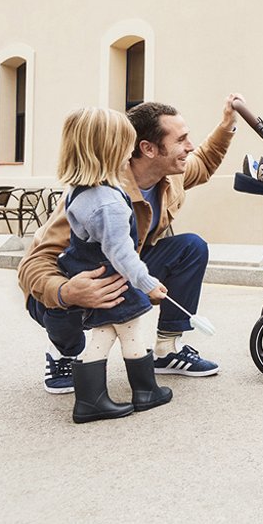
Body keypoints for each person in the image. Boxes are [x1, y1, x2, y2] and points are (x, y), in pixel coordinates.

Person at [19, 95, 243, 393]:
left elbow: (202, 162)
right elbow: (34, 263)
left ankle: (166, 350)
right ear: (149, 149)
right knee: (64, 302)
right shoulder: (99, 195)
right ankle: (64, 352)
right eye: (181, 140)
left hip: (126, 266)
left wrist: (227, 125)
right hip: (80, 277)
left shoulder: (169, 175)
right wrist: (65, 291)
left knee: (191, 247)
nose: (190, 146)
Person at [52, 108, 173, 423]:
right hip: (114, 280)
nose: (131, 153)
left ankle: (93, 400)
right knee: (130, 332)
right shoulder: (108, 203)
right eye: (126, 146)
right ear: (109, 150)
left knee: (105, 334)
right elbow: (122, 253)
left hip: (96, 276)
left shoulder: (81, 191)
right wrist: (148, 284)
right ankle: (144, 392)